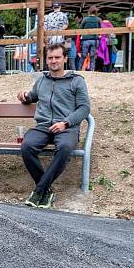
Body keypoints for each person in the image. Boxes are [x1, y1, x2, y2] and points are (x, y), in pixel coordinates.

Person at [17, 43, 90, 209]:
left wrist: (65, 123)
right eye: (50, 58)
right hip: (43, 126)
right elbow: (33, 96)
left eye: (57, 57)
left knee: (64, 147)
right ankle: (46, 190)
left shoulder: (77, 81)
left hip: (67, 128)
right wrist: (24, 97)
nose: (53, 61)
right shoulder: (42, 80)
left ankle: (39, 190)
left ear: (65, 58)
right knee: (27, 146)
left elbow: (84, 108)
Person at [79, 6, 102, 71]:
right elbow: (101, 29)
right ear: (96, 12)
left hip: (86, 39)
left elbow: (80, 28)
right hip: (95, 39)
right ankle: (92, 70)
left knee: (83, 55)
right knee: (93, 56)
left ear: (89, 11)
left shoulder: (85, 19)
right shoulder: (98, 19)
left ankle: (80, 69)